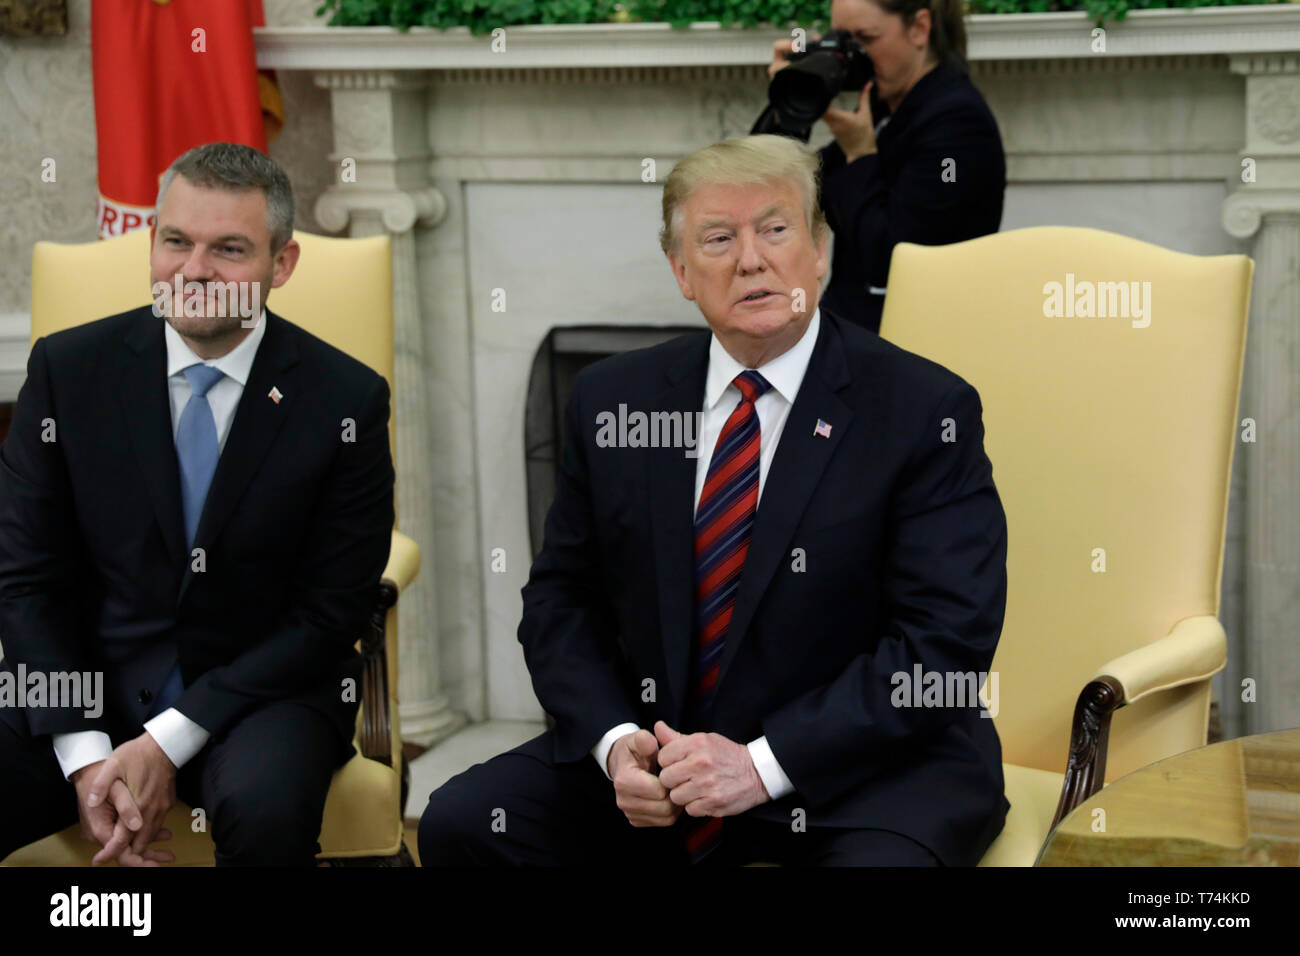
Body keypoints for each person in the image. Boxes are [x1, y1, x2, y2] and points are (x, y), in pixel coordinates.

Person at [418, 133, 1009, 866]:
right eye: (719, 238)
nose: (751, 259)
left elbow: (942, 650)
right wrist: (612, 746)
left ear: (820, 251)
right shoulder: (614, 400)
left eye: (775, 228)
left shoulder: (923, 408)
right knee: (463, 822)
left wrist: (758, 766)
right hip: (666, 762)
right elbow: (561, 602)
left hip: (861, 770)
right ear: (682, 272)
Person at [0, 142, 395, 866]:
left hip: (262, 695)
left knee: (265, 809)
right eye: (175, 240)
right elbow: (26, 578)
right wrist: (90, 757)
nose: (193, 271)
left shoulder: (347, 401)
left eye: (230, 249)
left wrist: (165, 741)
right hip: (90, 682)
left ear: (282, 265)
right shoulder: (67, 372)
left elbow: (328, 614)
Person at [770, 0, 1005, 334]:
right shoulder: (887, 107)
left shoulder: (956, 122)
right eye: (844, 40)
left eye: (865, 39)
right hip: (858, 338)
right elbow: (784, 190)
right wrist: (790, 108)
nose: (854, 56)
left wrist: (860, 155)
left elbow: (891, 264)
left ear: (919, 29)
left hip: (914, 346)